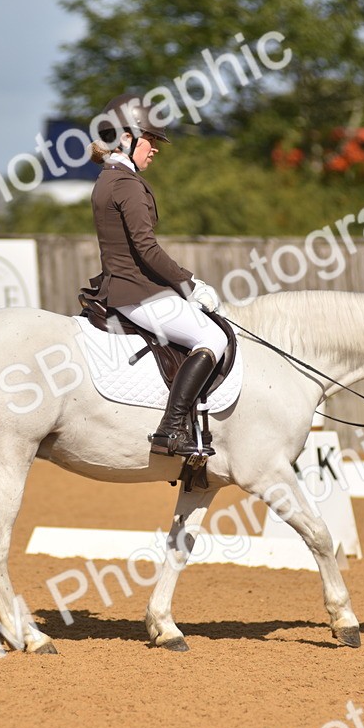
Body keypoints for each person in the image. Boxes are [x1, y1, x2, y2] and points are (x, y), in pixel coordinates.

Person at [81, 93, 227, 457]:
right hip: (137, 292)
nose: (156, 149)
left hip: (123, 288)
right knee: (213, 336)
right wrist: (190, 285)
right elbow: (146, 249)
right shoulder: (126, 185)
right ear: (127, 138)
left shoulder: (107, 179)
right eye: (151, 139)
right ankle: (171, 428)